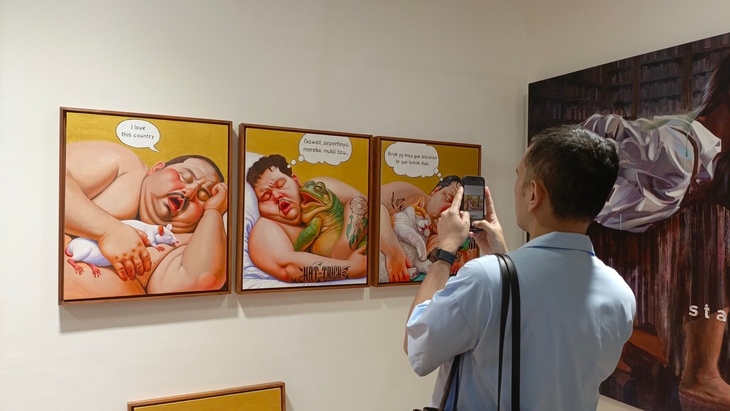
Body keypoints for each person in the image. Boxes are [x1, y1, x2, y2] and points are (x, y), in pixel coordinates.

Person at [404, 125, 637, 410]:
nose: (516, 187)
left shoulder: (484, 279)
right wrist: (503, 259)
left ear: (534, 194)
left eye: (519, 177)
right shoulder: (620, 293)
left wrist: (445, 251)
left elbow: (417, 346)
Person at [579, 53, 730, 409]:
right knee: (715, 225)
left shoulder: (708, 157)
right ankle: (701, 374)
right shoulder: (678, 151)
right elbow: (596, 130)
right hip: (627, 263)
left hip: (640, 269)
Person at [63, 140, 228, 298]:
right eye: (185, 177)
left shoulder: (183, 244)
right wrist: (110, 231)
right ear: (156, 169)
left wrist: (213, 212)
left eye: (203, 196)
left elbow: (203, 281)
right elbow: (54, 178)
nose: (190, 191)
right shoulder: (123, 165)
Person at [246, 154, 407, 283]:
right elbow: (289, 268)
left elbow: (366, 205)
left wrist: (392, 251)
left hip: (392, 230)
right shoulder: (266, 228)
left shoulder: (318, 189)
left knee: (384, 195)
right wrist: (349, 267)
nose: (276, 195)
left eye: (280, 184)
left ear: (296, 181)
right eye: (265, 196)